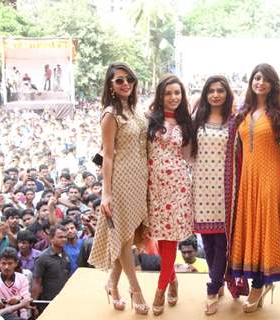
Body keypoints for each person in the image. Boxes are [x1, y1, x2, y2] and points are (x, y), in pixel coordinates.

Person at [87, 62, 149, 315]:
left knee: (130, 236)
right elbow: (108, 156)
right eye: (119, 81)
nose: (125, 84)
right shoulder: (110, 114)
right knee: (123, 238)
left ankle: (112, 283)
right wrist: (107, 193)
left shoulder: (134, 109)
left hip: (139, 180)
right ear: (110, 86)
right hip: (121, 181)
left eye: (129, 79)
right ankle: (136, 291)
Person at [227, 63, 280, 313]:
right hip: (247, 178)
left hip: (271, 177)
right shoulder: (243, 111)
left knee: (264, 229)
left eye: (266, 79)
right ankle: (257, 283)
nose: (260, 82)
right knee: (250, 228)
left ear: (273, 85)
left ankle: (259, 285)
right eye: (256, 78)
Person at [147, 74, 196, 316]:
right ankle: (173, 280)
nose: (173, 97)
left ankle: (160, 289)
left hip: (178, 189)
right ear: (161, 96)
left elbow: (189, 158)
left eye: (177, 93)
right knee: (160, 239)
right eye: (168, 93)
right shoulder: (149, 120)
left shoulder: (187, 123)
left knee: (170, 241)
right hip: (153, 187)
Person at [192, 75, 234, 315]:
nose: (216, 94)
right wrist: (197, 100)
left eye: (220, 90)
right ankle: (216, 281)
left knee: (222, 242)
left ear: (227, 93)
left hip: (225, 189)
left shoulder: (234, 119)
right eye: (211, 91)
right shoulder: (197, 118)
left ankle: (212, 287)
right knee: (207, 241)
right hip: (201, 186)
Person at [0, 247, 31, 320]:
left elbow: (26, 296)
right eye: (3, 263)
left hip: (19, 316)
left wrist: (18, 298)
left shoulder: (22, 278)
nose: (6, 267)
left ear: (16, 263)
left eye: (10, 263)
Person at [32, 225, 70, 313]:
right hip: (48, 302)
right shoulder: (42, 257)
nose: (64, 239)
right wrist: (34, 304)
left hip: (64, 301)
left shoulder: (65, 255)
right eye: (60, 237)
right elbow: (37, 282)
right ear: (51, 238)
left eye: (65, 237)